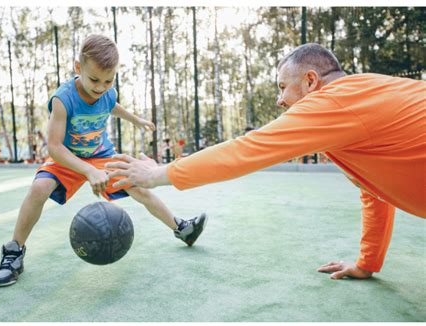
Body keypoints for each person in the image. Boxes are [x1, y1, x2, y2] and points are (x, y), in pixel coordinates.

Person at [105, 43, 425, 281]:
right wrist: (367, 263)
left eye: (283, 87)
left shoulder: (336, 100)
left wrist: (158, 173)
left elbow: (247, 149)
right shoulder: (358, 103)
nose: (279, 99)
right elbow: (373, 191)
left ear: (311, 81)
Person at [0, 35, 207, 287]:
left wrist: (135, 119)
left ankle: (182, 228)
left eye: (108, 80)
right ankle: (14, 252)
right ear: (78, 68)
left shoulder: (106, 91)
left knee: (137, 185)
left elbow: (111, 104)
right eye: (94, 79)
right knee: (39, 188)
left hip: (101, 155)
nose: (101, 86)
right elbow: (55, 147)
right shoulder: (63, 99)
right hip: (68, 158)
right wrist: (87, 171)